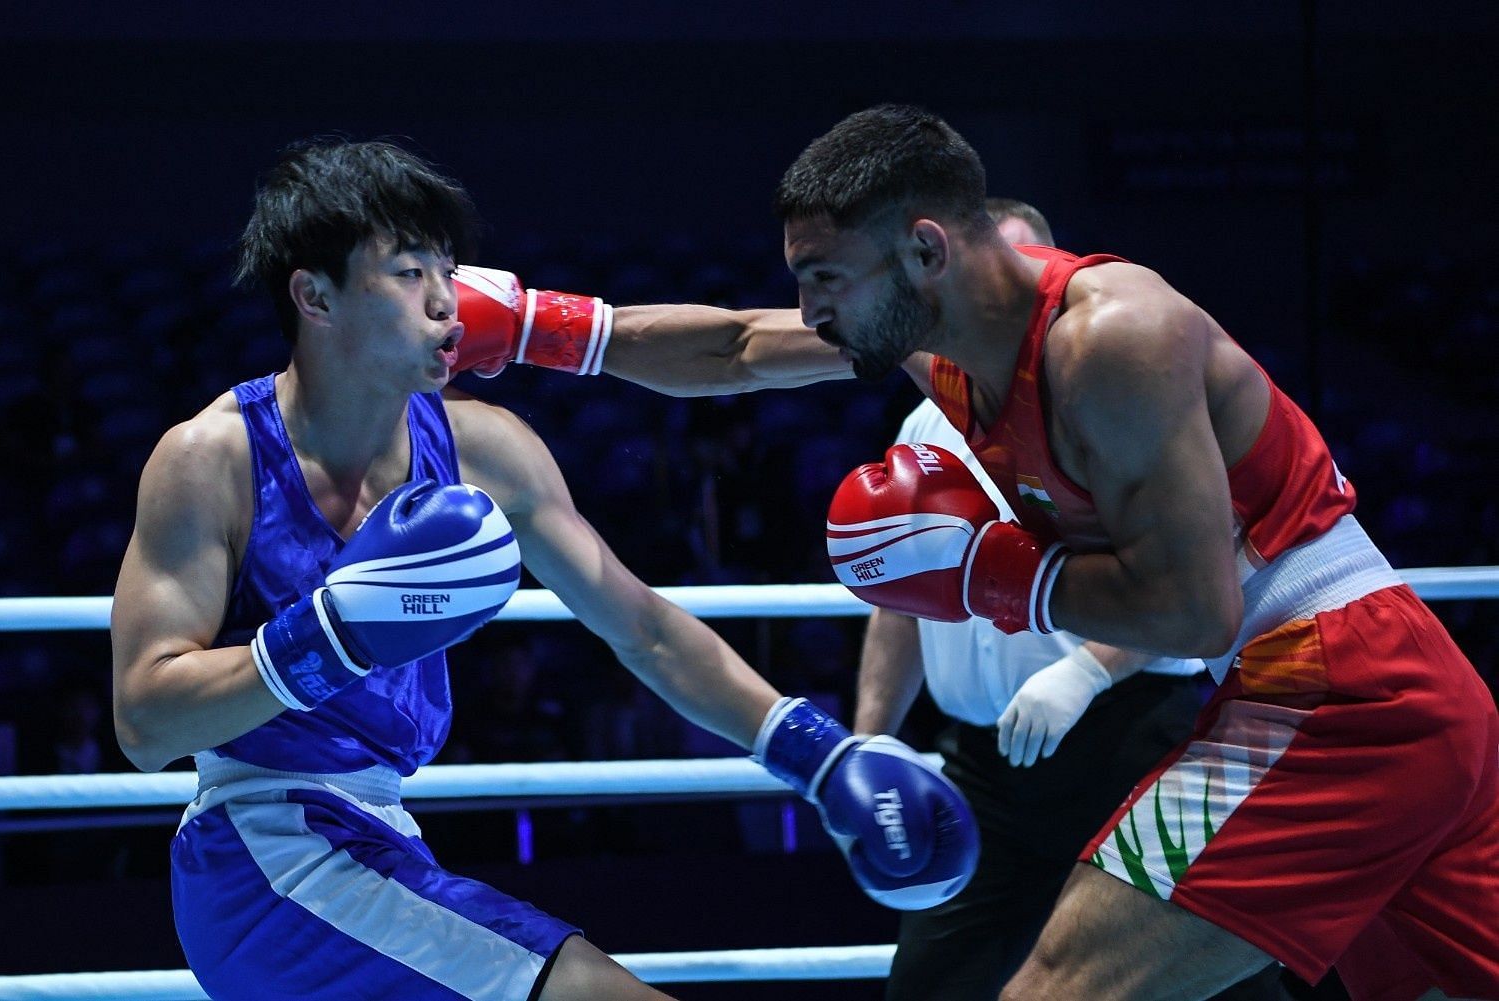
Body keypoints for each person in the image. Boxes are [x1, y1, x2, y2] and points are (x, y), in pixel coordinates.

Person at [450, 107, 1498, 1000]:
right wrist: (542, 329)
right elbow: (736, 348)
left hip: (1332, 690)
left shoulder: (1112, 338)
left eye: (825, 278)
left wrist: (987, 575)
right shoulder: (943, 337)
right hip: (1356, 689)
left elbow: (1195, 612)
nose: (812, 309)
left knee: (1056, 985)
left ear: (924, 248)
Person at [109, 138, 979, 1001]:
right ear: (315, 294)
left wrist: (818, 755)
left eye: (448, 268)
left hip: (382, 836)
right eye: (409, 272)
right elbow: (145, 723)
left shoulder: (485, 448)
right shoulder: (212, 458)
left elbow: (640, 626)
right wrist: (323, 638)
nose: (447, 299)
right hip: (263, 852)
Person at [857, 200, 1256, 1001]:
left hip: (1129, 735)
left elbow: (1200, 572)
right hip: (982, 765)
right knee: (929, 986)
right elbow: (903, 596)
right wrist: (868, 742)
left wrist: (1087, 673)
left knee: (1203, 980)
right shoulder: (926, 417)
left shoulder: (1105, 395)